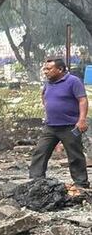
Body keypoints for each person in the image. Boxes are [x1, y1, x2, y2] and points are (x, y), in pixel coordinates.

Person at [30, 57, 89, 187]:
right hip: (50, 126)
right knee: (40, 152)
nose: (45, 71)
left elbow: (82, 100)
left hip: (70, 126)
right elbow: (44, 95)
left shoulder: (73, 81)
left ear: (60, 69)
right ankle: (36, 181)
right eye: (45, 69)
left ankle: (81, 184)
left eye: (49, 69)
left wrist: (82, 120)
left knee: (75, 155)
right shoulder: (48, 83)